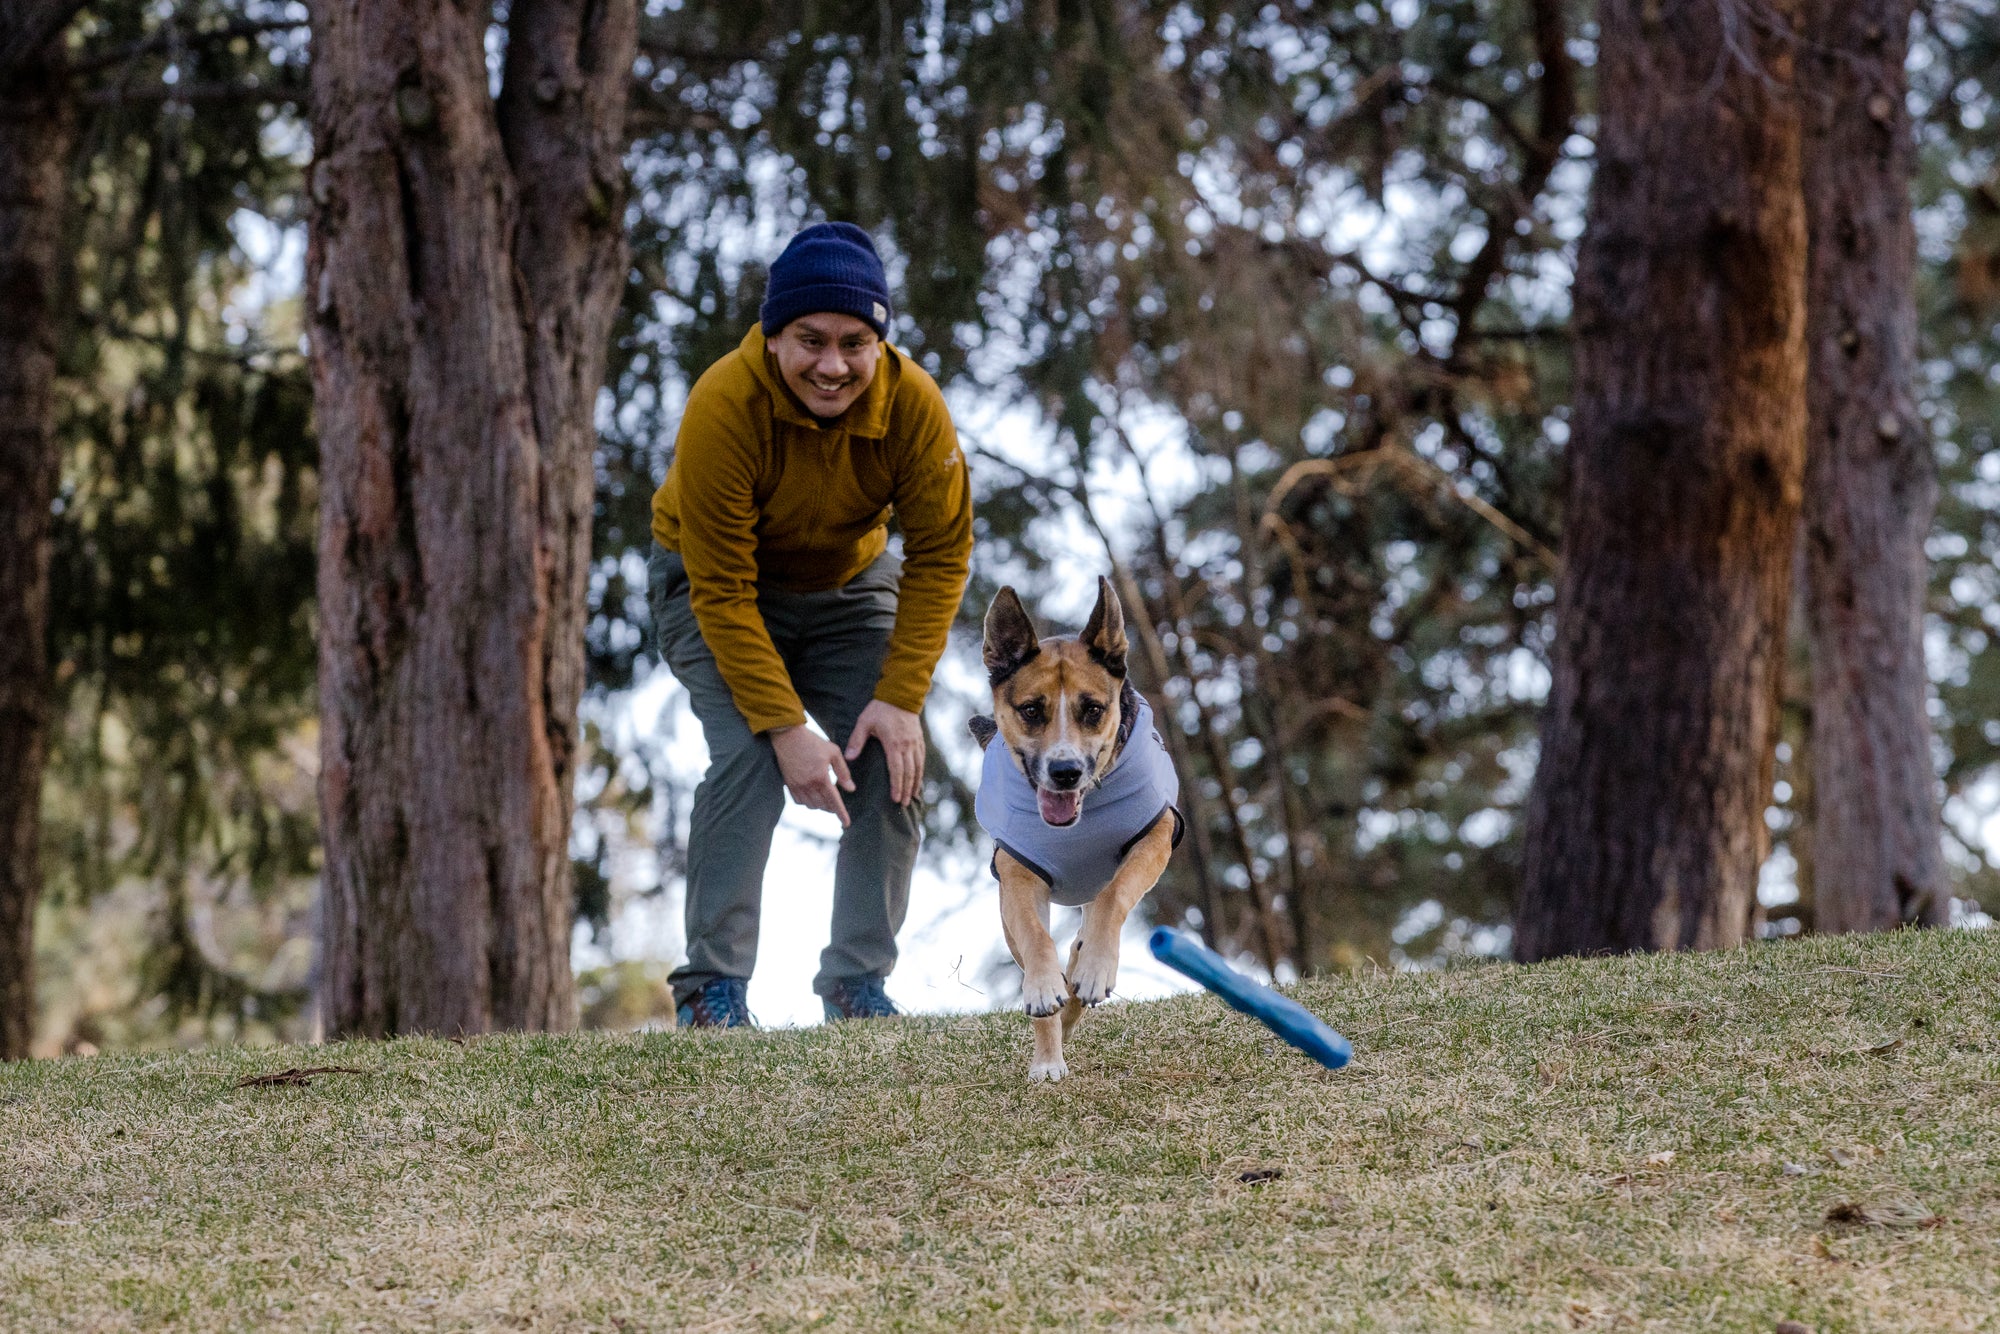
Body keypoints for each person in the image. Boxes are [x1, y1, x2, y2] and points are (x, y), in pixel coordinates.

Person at [648, 222, 973, 1028]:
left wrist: (899, 697)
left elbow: (940, 554)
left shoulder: (914, 406)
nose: (832, 365)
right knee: (753, 758)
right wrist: (786, 724)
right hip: (713, 588)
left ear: (879, 343)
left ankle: (856, 986)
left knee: (889, 760)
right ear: (773, 335)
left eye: (854, 343)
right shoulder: (725, 404)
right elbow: (722, 589)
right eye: (810, 341)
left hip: (847, 586)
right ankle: (712, 993)